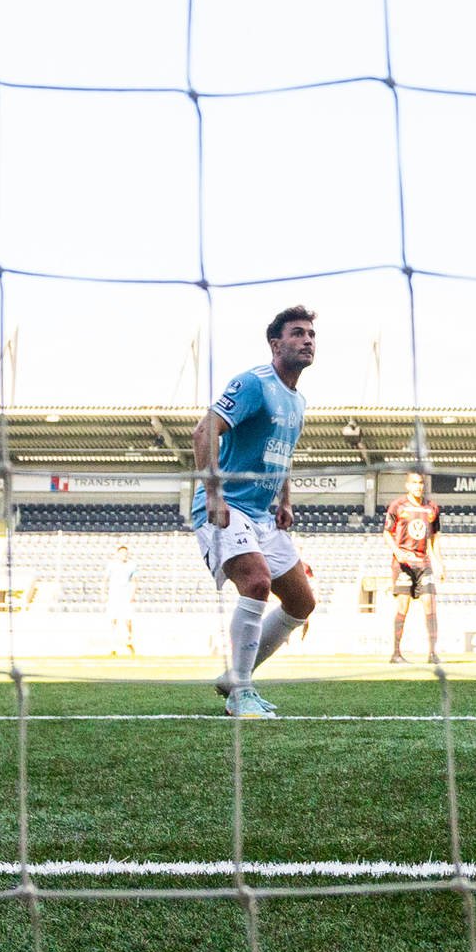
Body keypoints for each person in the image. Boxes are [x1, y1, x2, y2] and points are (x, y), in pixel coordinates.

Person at [192, 305, 319, 718]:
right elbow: (204, 430)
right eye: (297, 333)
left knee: (301, 602)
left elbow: (280, 455)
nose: (307, 340)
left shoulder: (298, 401)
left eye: (311, 335)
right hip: (227, 506)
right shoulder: (253, 383)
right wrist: (214, 494)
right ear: (275, 343)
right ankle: (241, 693)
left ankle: (235, 675)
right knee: (257, 583)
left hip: (263, 514)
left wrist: (285, 499)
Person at [383, 471, 445, 664]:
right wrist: (397, 552)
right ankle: (396, 653)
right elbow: (386, 532)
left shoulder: (432, 508)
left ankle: (433, 654)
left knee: (430, 605)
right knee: (403, 606)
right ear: (407, 485)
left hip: (423, 562)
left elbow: (434, 538)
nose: (419, 486)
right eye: (415, 483)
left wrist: (440, 563)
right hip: (404, 563)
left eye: (421, 483)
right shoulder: (398, 506)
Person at [106, 544, 138, 657]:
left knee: (128, 620)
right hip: (114, 595)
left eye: (126, 553)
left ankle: (129, 640)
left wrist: (133, 594)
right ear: (118, 554)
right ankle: (112, 647)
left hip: (126, 595)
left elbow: (134, 580)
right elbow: (105, 579)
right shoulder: (111, 565)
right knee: (113, 620)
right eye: (122, 553)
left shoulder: (132, 566)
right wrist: (103, 593)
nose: (124, 555)